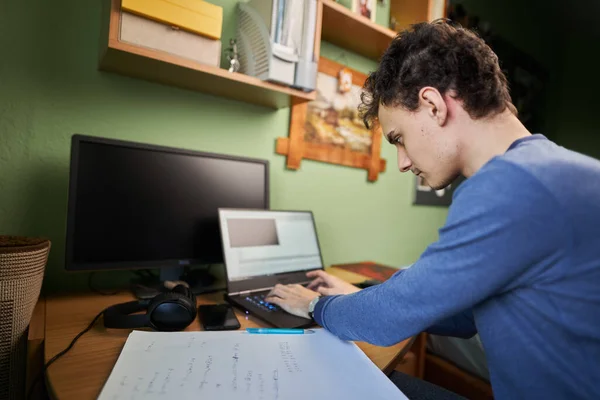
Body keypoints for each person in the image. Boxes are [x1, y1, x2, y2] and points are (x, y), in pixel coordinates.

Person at [265, 20, 600, 399]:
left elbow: (392, 316)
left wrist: (315, 305)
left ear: (433, 105)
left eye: (399, 139)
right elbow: (465, 312)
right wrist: (366, 295)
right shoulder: (545, 170)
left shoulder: (512, 183)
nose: (402, 162)